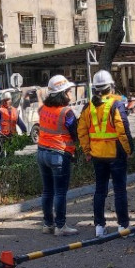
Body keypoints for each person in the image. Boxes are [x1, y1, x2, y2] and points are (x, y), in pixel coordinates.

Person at [77, 70, 134, 238]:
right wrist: (129, 150)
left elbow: (82, 131)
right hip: (115, 154)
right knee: (120, 191)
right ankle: (123, 226)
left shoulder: (88, 107)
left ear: (95, 88)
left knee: (100, 191)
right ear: (111, 87)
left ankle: (99, 227)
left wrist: (87, 151)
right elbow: (123, 130)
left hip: (97, 155)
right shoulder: (116, 105)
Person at [36, 75, 79, 236]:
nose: (70, 93)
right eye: (69, 91)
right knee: (60, 192)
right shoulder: (67, 112)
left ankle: (48, 225)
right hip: (58, 155)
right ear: (63, 93)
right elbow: (75, 133)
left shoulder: (43, 109)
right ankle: (61, 226)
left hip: (42, 153)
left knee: (47, 191)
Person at [0, 95, 24, 159]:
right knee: (0, 152)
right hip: (2, 135)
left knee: (10, 152)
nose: (6, 102)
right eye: (4, 100)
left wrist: (24, 130)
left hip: (12, 135)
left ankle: (9, 163)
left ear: (11, 100)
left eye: (7, 100)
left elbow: (19, 122)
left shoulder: (14, 110)